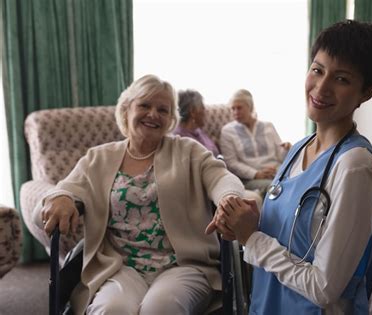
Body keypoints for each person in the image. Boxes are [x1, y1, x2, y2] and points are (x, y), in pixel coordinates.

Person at [207, 20, 372, 314]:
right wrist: (243, 222)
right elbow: (283, 238)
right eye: (317, 70)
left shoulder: (354, 166)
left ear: (367, 92)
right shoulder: (297, 149)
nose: (321, 87)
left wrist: (252, 238)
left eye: (341, 79)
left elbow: (324, 288)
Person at [34, 75, 245, 314]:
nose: (153, 114)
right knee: (111, 310)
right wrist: (60, 198)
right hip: (119, 267)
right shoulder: (98, 158)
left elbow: (222, 178)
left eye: (162, 110)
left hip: (184, 265)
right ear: (126, 110)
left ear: (170, 119)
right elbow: (52, 202)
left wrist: (228, 197)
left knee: (160, 309)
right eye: (144, 105)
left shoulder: (188, 151)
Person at [173, 89, 263, 209]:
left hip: (224, 178)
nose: (205, 112)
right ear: (193, 112)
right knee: (255, 199)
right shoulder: (179, 139)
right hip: (208, 186)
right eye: (203, 108)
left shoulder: (199, 131)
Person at [219, 89, 291, 196]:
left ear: (250, 107)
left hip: (276, 172)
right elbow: (231, 163)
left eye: (239, 108)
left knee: (295, 181)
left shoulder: (268, 126)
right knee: (276, 187)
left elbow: (280, 156)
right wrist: (256, 174)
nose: (235, 112)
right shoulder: (227, 131)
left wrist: (287, 149)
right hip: (250, 179)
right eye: (232, 109)